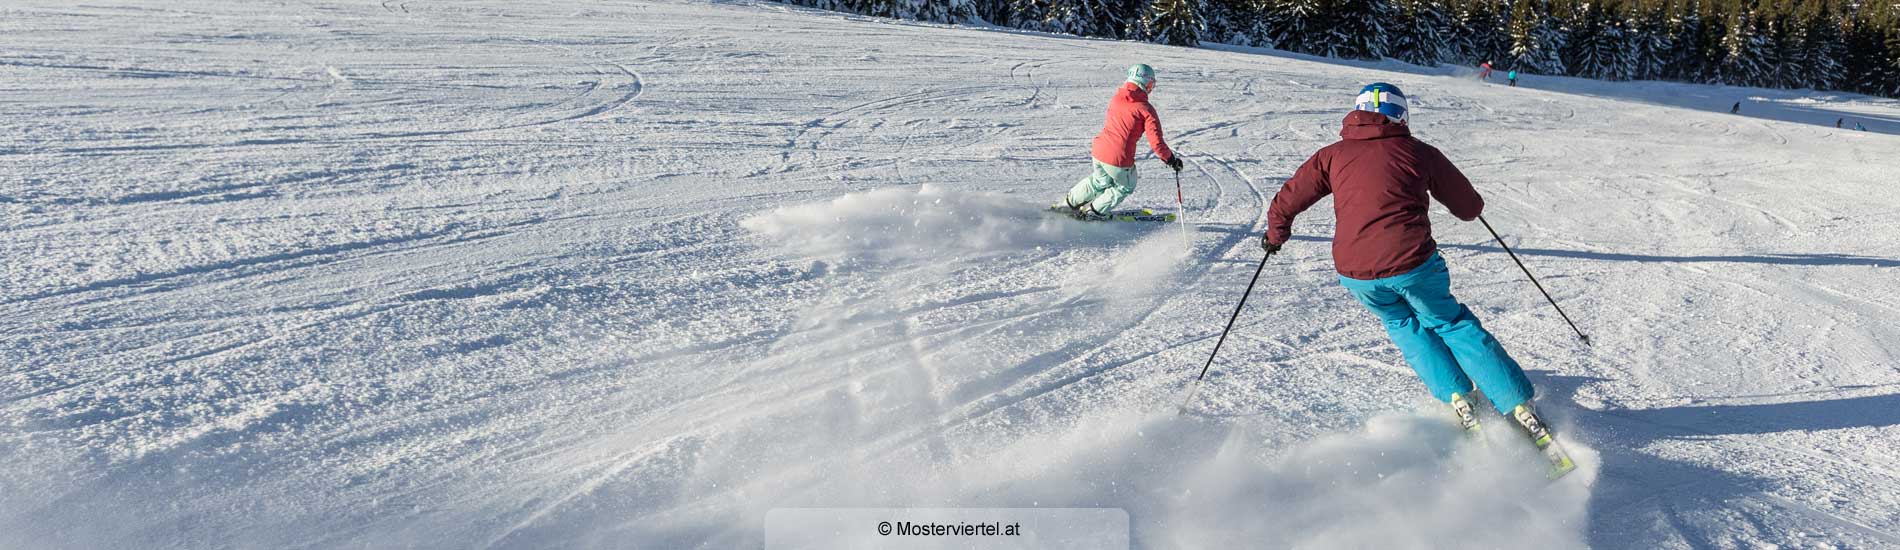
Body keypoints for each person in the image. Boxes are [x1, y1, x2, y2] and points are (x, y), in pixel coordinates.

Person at [1259, 82, 1556, 445]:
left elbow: (1286, 201)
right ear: (1400, 115)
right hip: (1412, 264)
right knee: (1450, 323)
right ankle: (1517, 407)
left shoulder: (1331, 155)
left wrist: (1275, 237)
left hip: (1356, 274)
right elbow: (1467, 208)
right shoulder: (1418, 152)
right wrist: (1469, 205)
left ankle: (1457, 397)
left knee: (1402, 323)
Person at [1062, 64, 1182, 220]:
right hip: (1118, 158)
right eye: (1151, 84)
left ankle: (1067, 204)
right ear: (1145, 82)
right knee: (1125, 186)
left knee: (1099, 181)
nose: (1151, 88)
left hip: (1099, 151)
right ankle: (1094, 213)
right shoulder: (1145, 109)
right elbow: (1157, 143)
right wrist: (1171, 160)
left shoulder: (1117, 98)